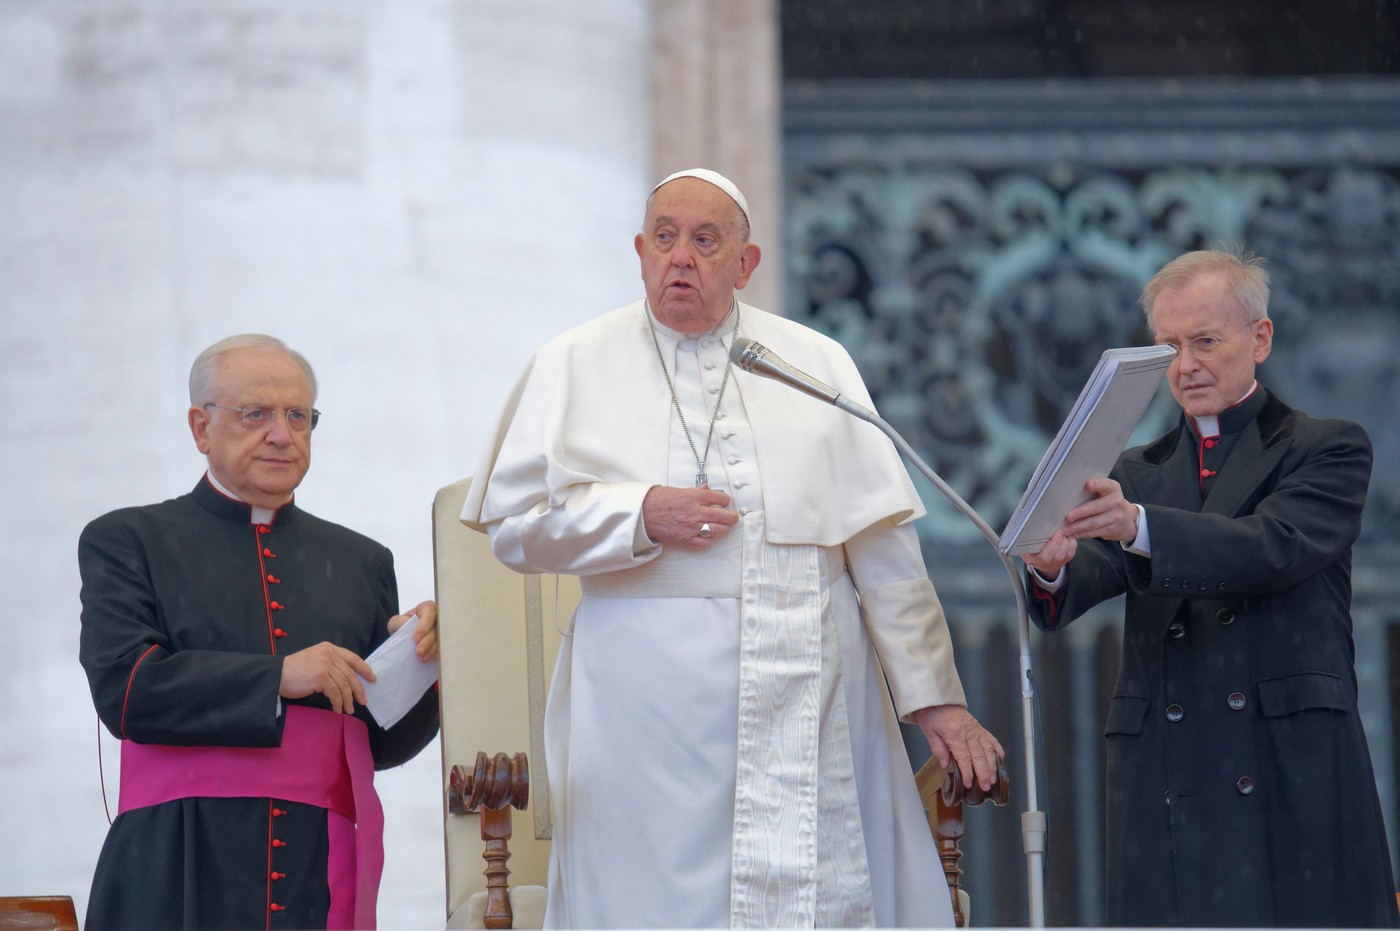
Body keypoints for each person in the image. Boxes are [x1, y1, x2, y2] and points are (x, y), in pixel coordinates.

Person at [461, 168, 1004, 928]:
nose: (680, 256)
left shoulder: (814, 363)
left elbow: (883, 550)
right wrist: (639, 515)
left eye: (705, 240)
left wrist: (938, 700)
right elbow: (516, 530)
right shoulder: (572, 362)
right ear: (640, 251)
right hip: (645, 711)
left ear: (746, 264)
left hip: (813, 689)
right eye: (664, 237)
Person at [1021, 249, 1399, 927]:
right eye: (1168, 346)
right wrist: (1051, 561)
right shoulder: (1139, 471)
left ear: (1260, 338)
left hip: (1286, 764)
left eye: (1204, 341)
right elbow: (1087, 579)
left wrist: (1138, 527)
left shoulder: (1328, 447)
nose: (1185, 364)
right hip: (1171, 774)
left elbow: (1272, 547)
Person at [78, 334, 441, 930]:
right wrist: (279, 675)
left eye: (298, 415)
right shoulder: (128, 540)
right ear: (201, 428)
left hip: (313, 871)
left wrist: (426, 663)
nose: (281, 433)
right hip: (175, 861)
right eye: (257, 414)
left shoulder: (361, 560)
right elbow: (126, 689)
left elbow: (376, 741)